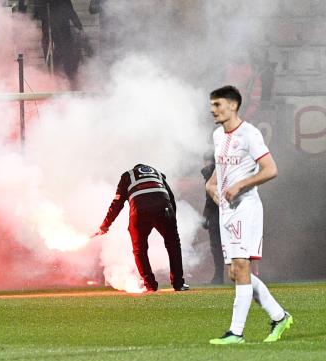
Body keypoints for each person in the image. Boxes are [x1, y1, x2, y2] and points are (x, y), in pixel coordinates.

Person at [205, 86, 292, 344]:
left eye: (217, 105)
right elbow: (220, 169)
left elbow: (270, 169)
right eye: (212, 105)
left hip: (246, 208)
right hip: (226, 211)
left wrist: (241, 185)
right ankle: (279, 316)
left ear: (233, 105)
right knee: (234, 272)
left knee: (242, 266)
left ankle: (236, 333)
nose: (213, 110)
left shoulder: (250, 134)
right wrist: (211, 185)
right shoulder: (218, 136)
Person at [95, 164, 188, 292]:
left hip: (140, 211)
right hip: (164, 208)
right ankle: (178, 284)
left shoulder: (127, 175)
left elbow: (117, 203)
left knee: (140, 249)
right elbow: (171, 197)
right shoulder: (158, 173)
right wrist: (172, 220)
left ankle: (150, 285)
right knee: (173, 244)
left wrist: (105, 225)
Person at [36, 0, 84, 83]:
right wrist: (48, 1)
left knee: (66, 60)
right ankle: (53, 81)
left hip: (63, 36)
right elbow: (38, 15)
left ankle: (69, 81)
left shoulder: (64, 1)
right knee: (50, 61)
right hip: (48, 36)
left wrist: (79, 27)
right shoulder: (43, 2)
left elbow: (72, 15)